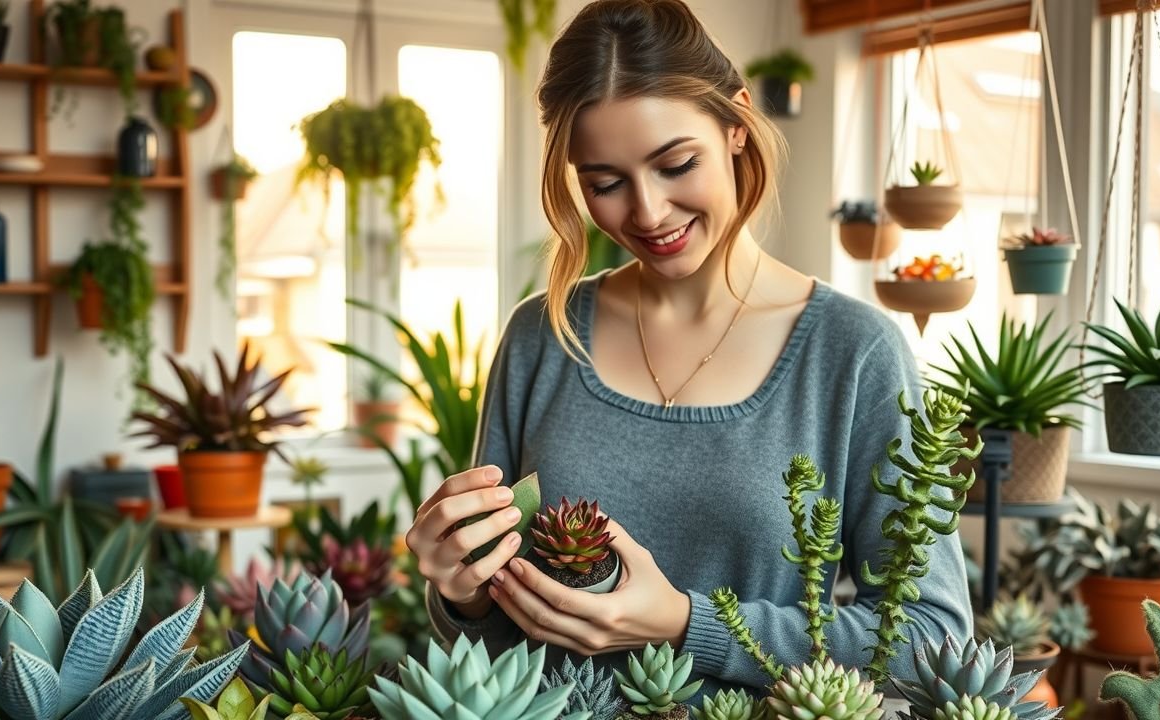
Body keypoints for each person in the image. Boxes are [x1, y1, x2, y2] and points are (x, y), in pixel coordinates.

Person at [404, 0, 972, 698]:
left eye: (675, 164)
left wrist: (681, 621)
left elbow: (930, 638)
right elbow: (491, 640)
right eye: (604, 183)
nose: (645, 212)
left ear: (735, 125)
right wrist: (461, 594)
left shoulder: (854, 354)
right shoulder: (540, 336)